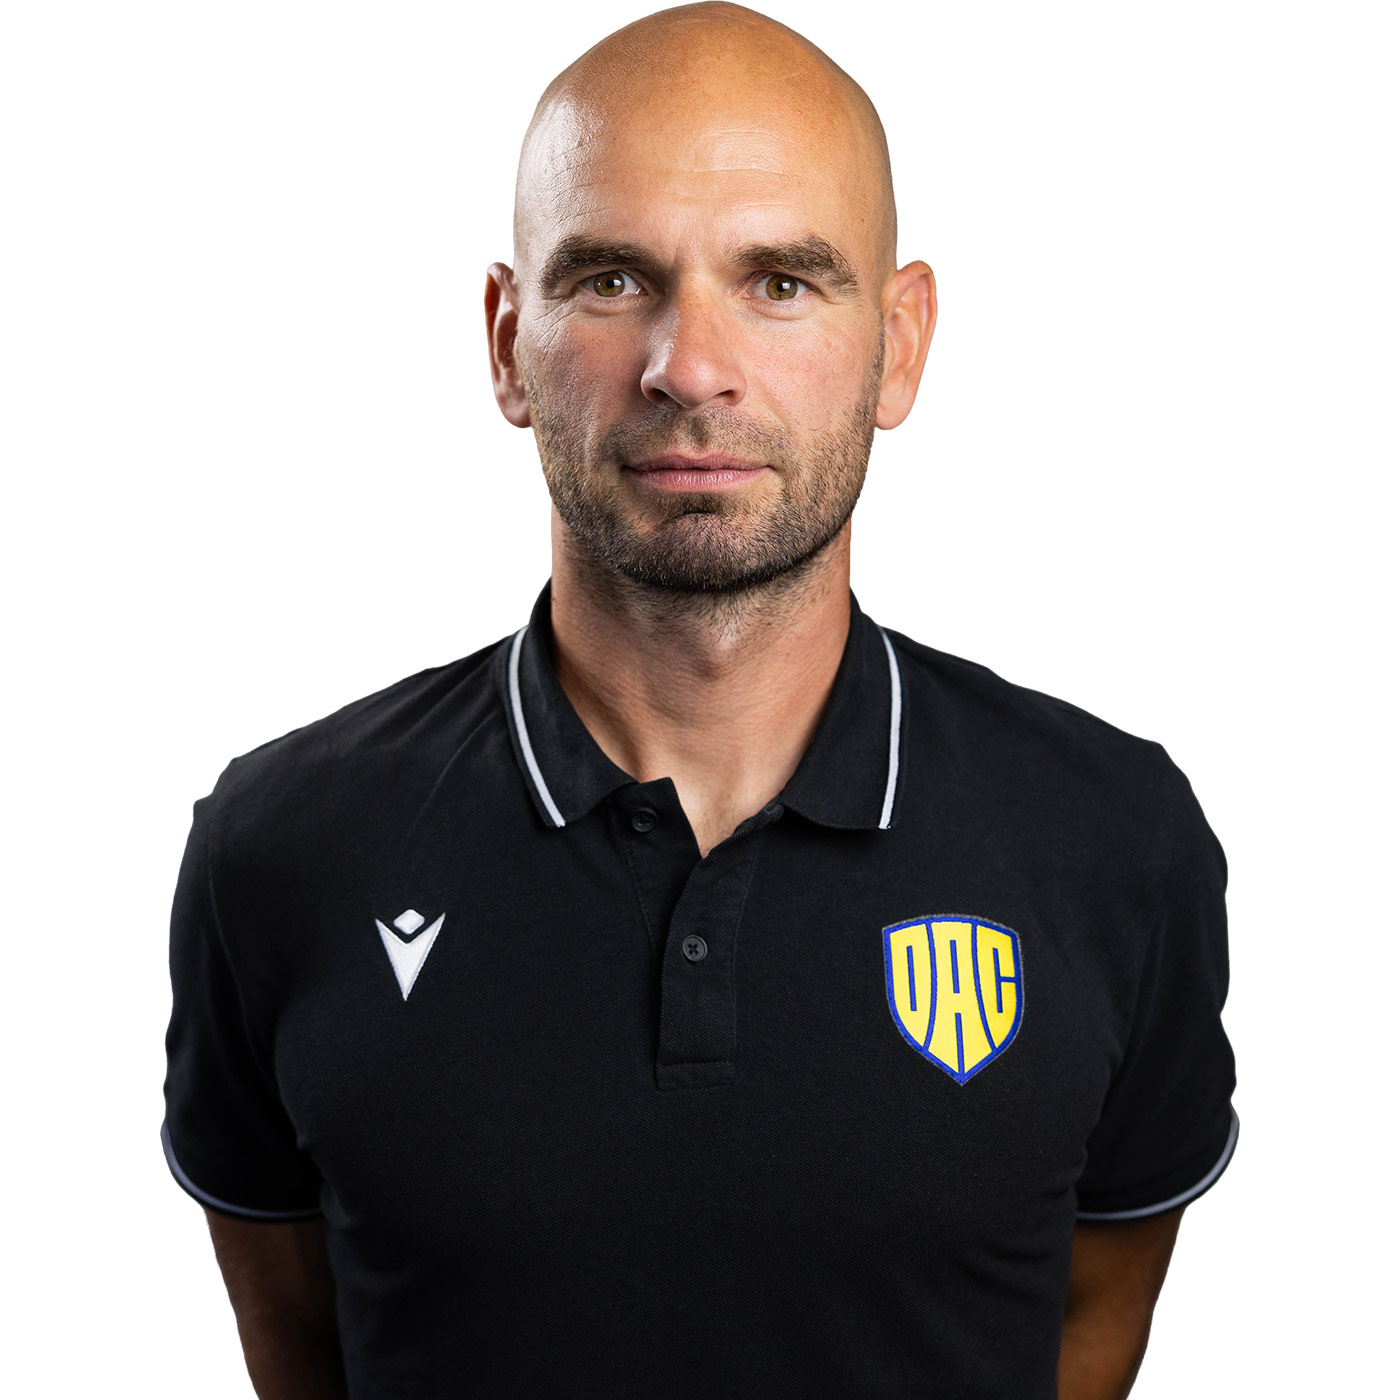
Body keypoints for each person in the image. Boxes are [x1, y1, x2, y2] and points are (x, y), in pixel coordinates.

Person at [160, 4, 1238, 1397]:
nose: (691, 366)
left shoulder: (1115, 839)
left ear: (901, 344)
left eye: (781, 281)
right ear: (507, 341)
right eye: (613, 279)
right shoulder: (283, 846)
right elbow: (303, 1346)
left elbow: (1087, 1325)